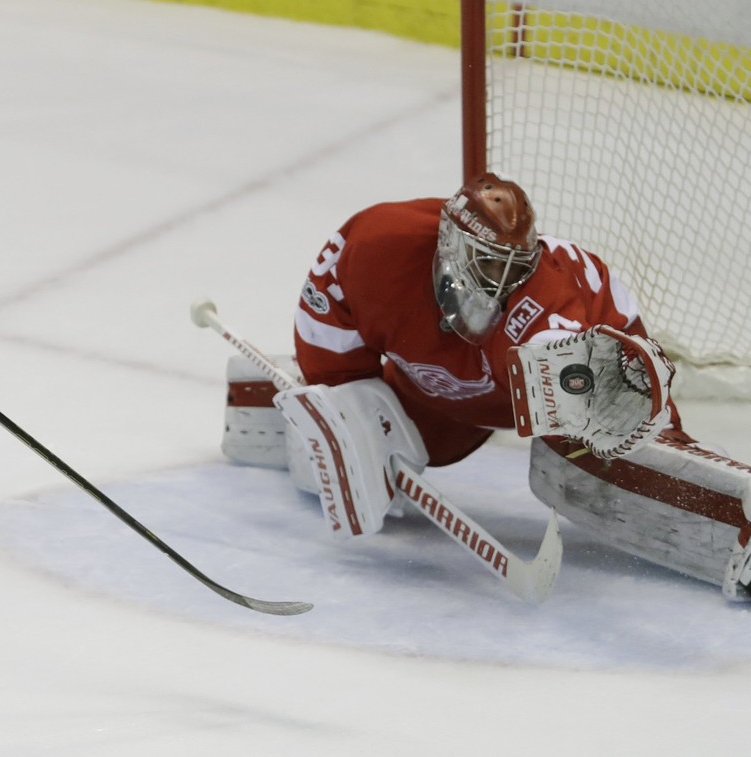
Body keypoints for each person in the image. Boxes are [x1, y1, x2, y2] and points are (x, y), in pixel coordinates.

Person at [222, 173, 751, 598]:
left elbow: (600, 403)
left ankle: (738, 523)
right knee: (345, 419)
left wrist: (619, 421)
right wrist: (342, 400)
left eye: (512, 266)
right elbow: (329, 316)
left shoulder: (548, 317)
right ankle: (268, 407)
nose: (499, 280)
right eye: (486, 262)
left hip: (559, 386)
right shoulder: (380, 244)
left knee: (586, 464)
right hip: (428, 389)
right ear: (447, 243)